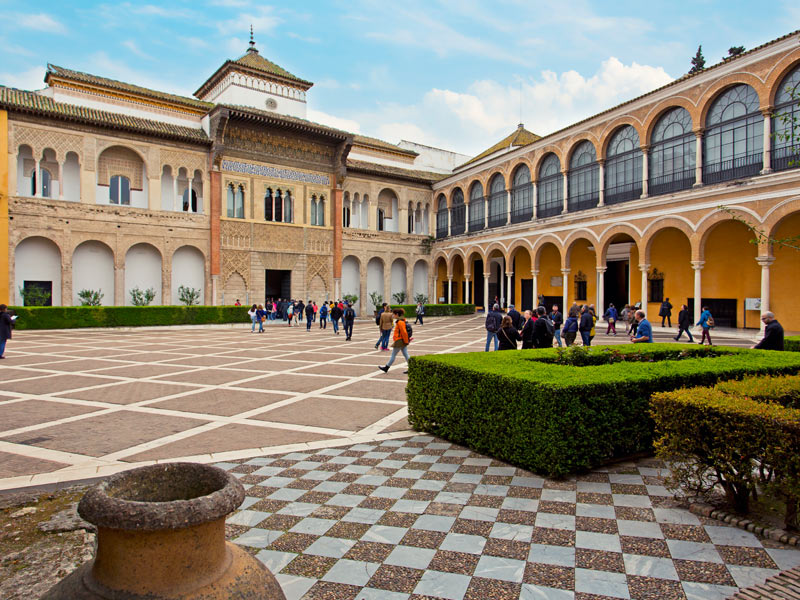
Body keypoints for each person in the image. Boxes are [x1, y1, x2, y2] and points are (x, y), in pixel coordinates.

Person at [378, 308, 410, 373]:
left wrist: (406, 341)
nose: (393, 315)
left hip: (399, 340)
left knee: (393, 355)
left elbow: (404, 332)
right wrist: (406, 341)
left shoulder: (400, 322)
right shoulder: (401, 321)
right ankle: (412, 367)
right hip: (401, 340)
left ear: (397, 314)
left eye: (394, 314)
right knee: (406, 354)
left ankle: (386, 367)